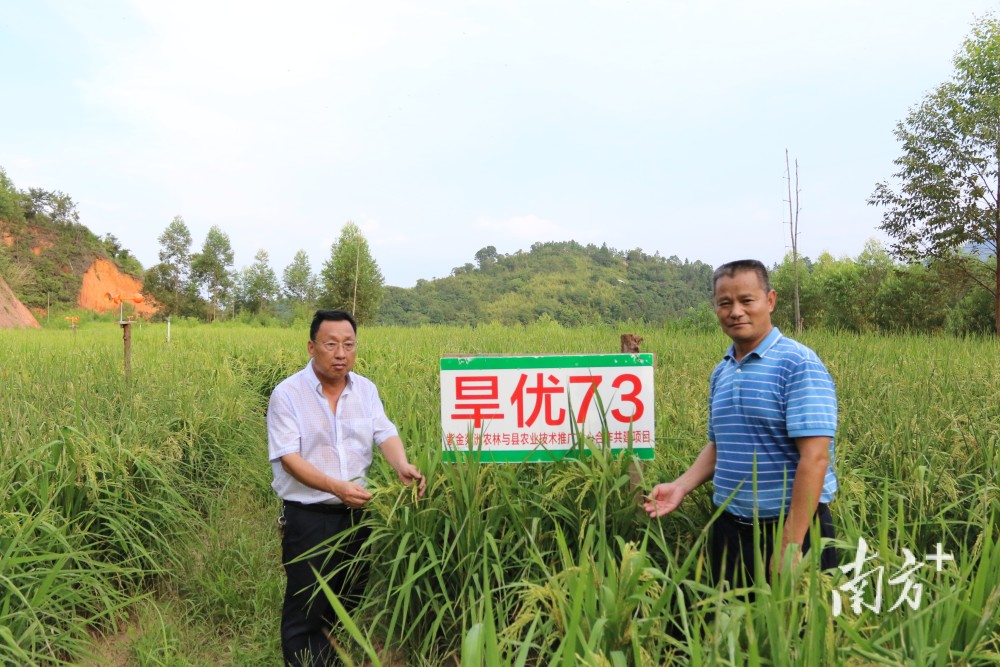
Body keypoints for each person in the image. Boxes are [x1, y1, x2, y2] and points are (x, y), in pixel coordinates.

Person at [644, 259, 838, 587]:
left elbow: (815, 457)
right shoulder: (723, 370)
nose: (736, 311)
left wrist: (791, 543)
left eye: (747, 300)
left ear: (770, 300)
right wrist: (680, 486)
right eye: (725, 303)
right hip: (730, 529)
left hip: (792, 529)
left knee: (796, 631)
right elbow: (721, 445)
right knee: (731, 628)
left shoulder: (798, 363)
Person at [267, 309, 426, 666]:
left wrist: (401, 465)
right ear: (311, 347)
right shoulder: (288, 394)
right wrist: (335, 487)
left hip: (357, 514)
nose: (341, 353)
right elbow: (289, 458)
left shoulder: (365, 389)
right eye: (331, 344)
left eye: (349, 345)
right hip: (309, 515)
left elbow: (384, 432)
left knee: (348, 595)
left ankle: (334, 659)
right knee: (307, 602)